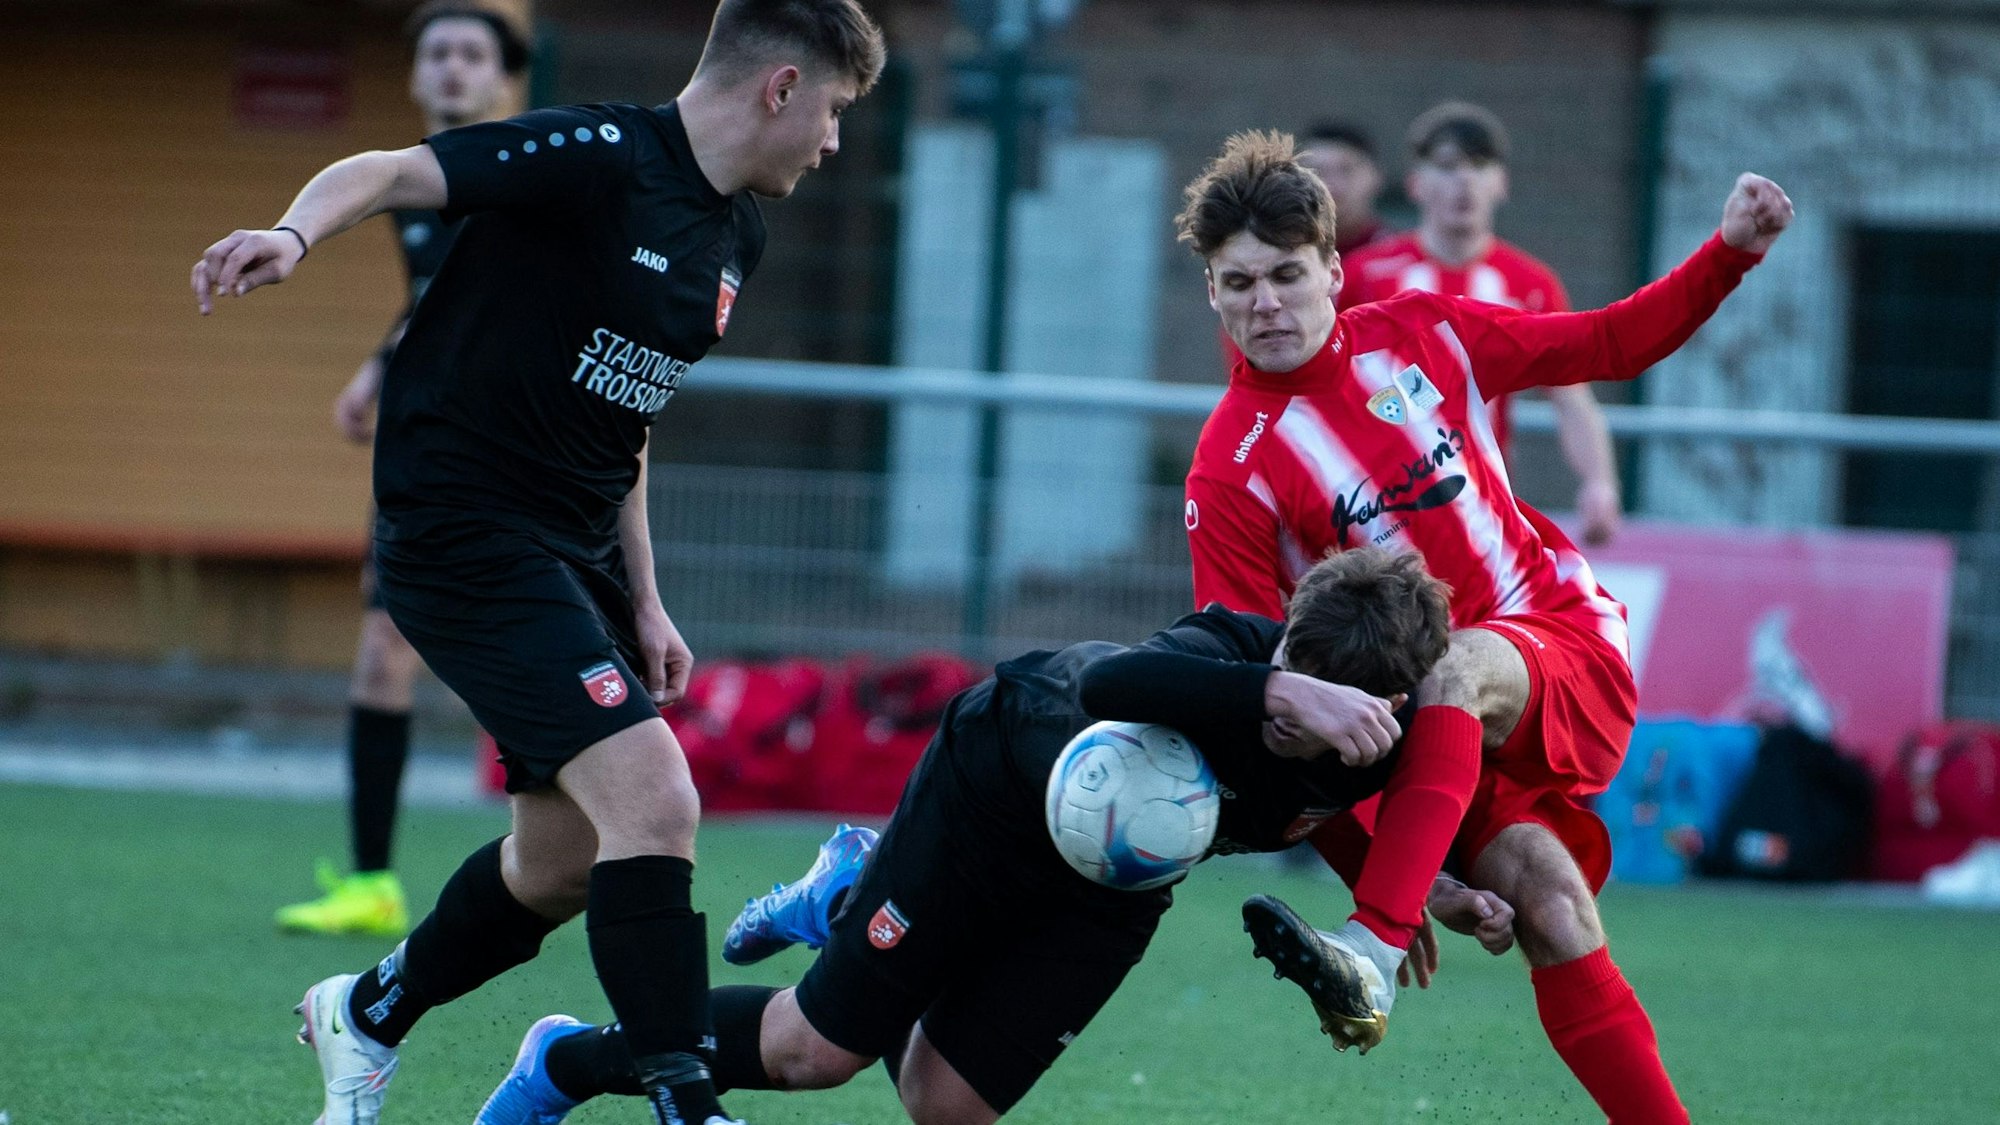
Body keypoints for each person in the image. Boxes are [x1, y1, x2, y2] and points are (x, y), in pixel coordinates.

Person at [190, 2, 886, 1122]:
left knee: (559, 862)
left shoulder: (735, 237)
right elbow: (388, 170)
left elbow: (628, 420)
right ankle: (688, 1104)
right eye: (837, 111)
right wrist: (292, 235)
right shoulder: (595, 153)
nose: (835, 141)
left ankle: (366, 1010)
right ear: (782, 88)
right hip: (461, 528)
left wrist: (645, 598)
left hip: (574, 555)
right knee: (656, 798)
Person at [1179, 129, 1790, 1124]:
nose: (1266, 303)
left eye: (1285, 274)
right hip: (1425, 741)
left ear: (1333, 268)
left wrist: (1729, 253)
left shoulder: (1425, 332)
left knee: (1453, 665)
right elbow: (1274, 718)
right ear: (1212, 293)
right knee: (1551, 906)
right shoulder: (1228, 472)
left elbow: (1608, 343)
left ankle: (1367, 951)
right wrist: (1405, 875)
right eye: (1239, 282)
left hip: (1551, 635)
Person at [472, 548, 1514, 1125]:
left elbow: (1319, 810)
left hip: (1114, 885)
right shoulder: (1234, 654)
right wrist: (1276, 687)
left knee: (949, 1108)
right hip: (993, 793)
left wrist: (1425, 888)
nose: (1293, 706)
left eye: (1323, 699)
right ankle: (566, 1061)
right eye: (1289, 667)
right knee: (812, 1053)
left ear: (1384, 705)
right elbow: (1111, 682)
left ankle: (849, 896)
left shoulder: (1391, 744)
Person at [276, 0, 528, 941]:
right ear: (417, 73)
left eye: (473, 53)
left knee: (525, 658)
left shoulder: (521, 176)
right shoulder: (415, 181)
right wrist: (376, 368)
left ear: (502, 78)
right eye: (439, 52)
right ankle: (373, 880)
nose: (454, 67)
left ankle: (578, 857)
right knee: (383, 651)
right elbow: (437, 301)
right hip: (430, 458)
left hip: (517, 462)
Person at [1340, 102, 1623, 546]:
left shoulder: (1529, 284)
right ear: (1416, 184)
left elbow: (1571, 399)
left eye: (1479, 165)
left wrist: (1599, 483)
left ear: (1501, 183)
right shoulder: (1366, 274)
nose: (1464, 181)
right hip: (1370, 504)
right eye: (1447, 166)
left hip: (1481, 509)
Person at [1297, 120, 1391, 257]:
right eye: (1317, 172)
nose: (1332, 186)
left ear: (1376, 177)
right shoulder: (1277, 256)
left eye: (1346, 170)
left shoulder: (1405, 259)